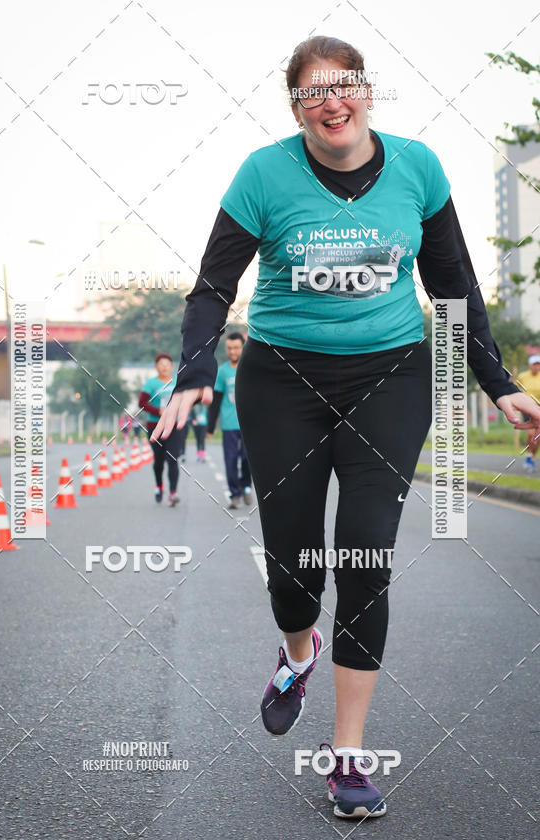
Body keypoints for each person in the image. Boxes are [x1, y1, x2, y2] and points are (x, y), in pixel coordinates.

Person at [150, 36, 540, 820]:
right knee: (296, 566)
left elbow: (454, 283)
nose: (332, 102)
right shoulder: (263, 174)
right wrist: (195, 375)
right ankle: (298, 652)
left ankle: (349, 757)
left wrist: (499, 385)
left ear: (368, 92)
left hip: (390, 378)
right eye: (312, 93)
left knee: (365, 554)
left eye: (346, 86)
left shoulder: (418, 168)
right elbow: (211, 288)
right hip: (281, 381)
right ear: (295, 107)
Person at [207, 332, 253, 509]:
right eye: (229, 348)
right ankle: (235, 494)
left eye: (236, 348)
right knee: (231, 460)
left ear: (243, 348)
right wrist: (210, 428)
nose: (232, 351)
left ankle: (246, 486)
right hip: (229, 424)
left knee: (247, 458)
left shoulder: (250, 369)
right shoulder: (223, 371)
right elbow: (216, 401)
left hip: (249, 425)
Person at [139, 353, 182, 506]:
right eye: (161, 364)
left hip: (173, 427)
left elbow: (185, 401)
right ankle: (159, 486)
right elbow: (142, 403)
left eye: (167, 364)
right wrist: (159, 411)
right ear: (156, 367)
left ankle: (173, 492)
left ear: (172, 366)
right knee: (159, 461)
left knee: (172, 459)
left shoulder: (178, 382)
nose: (164, 366)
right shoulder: (151, 384)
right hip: (154, 426)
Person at [515, 354, 540, 471]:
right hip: (527, 407)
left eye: (538, 364)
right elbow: (515, 388)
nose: (537, 367)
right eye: (535, 364)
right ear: (530, 365)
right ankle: (529, 457)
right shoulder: (523, 376)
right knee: (531, 434)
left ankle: (531, 457)